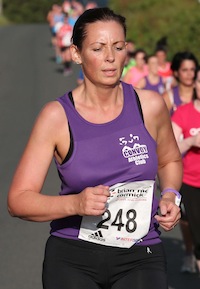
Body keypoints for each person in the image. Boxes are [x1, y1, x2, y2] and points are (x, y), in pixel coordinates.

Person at [8, 7, 182, 289]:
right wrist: (75, 204)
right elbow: (18, 200)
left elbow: (170, 161)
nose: (110, 57)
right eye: (98, 48)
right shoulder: (56, 116)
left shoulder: (149, 105)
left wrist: (172, 195)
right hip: (73, 257)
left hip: (140, 253)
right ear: (76, 54)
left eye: (118, 46)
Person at [171, 66, 200, 275]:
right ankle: (193, 255)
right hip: (191, 183)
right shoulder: (183, 113)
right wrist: (191, 140)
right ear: (196, 85)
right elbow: (171, 148)